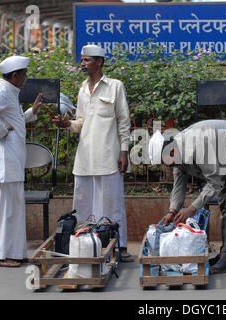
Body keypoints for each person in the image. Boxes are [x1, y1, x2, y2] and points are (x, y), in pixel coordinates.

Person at [53, 44, 133, 262]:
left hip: (108, 156)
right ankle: (84, 246)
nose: (83, 64)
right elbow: (81, 123)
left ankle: (120, 248)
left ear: (99, 62)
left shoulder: (115, 86)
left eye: (87, 60)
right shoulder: (81, 89)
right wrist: (67, 123)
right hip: (85, 158)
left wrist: (123, 151)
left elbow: (123, 121)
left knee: (112, 204)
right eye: (82, 60)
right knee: (83, 205)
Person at [152, 120, 226, 274]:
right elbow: (179, 186)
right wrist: (172, 211)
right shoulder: (177, 156)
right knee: (225, 202)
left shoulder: (196, 148)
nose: (166, 167)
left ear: (171, 152)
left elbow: (214, 183)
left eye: (165, 162)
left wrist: (191, 209)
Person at [0, 55, 43, 267]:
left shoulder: (8, 90)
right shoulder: (2, 90)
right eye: (24, 74)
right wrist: (2, 131)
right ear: (15, 75)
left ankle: (14, 251)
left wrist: (30, 113)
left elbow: (13, 119)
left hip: (12, 159)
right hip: (6, 160)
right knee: (7, 208)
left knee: (12, 207)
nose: (26, 78)